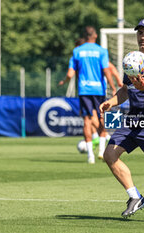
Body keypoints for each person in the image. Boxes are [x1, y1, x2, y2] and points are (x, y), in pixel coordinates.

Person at [99, 18, 144, 224]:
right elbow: (124, 90)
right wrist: (111, 102)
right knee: (109, 154)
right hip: (133, 117)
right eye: (140, 33)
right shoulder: (132, 59)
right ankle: (135, 196)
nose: (143, 37)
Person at [59, 26, 116, 164]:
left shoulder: (77, 51)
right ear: (95, 36)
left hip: (84, 90)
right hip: (99, 90)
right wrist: (113, 86)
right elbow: (107, 70)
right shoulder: (101, 51)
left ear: (84, 37)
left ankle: (90, 156)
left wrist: (64, 81)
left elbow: (70, 73)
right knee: (102, 118)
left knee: (87, 120)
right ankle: (102, 151)